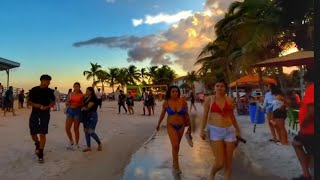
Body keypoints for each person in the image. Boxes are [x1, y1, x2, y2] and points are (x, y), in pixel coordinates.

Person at [199, 79, 241, 180]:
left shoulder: (229, 100)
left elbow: (232, 116)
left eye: (222, 86)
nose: (219, 88)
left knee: (228, 163)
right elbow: (205, 116)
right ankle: (212, 173)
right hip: (215, 131)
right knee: (220, 162)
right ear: (214, 88)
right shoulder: (209, 99)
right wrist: (201, 130)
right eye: (217, 86)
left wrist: (237, 130)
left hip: (229, 131)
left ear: (225, 88)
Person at [156, 85, 192, 174]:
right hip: (171, 125)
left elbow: (186, 115)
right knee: (175, 145)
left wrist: (190, 127)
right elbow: (162, 114)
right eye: (173, 91)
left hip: (181, 126)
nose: (175, 93)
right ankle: (176, 166)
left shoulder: (183, 101)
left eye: (177, 91)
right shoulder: (166, 102)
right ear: (170, 93)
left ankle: (174, 161)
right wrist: (158, 124)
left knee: (176, 146)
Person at [292, 69, 314, 180]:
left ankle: (306, 174)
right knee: (310, 151)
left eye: (304, 81)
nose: (304, 84)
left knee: (296, 143)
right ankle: (307, 172)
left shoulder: (312, 89)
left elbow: (311, 112)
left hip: (309, 129)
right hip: (309, 129)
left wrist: (304, 123)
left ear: (308, 80)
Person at [27, 74, 55, 163]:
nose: (49, 83)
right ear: (42, 81)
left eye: (49, 81)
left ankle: (41, 153)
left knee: (42, 133)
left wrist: (48, 107)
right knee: (33, 133)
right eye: (47, 81)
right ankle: (37, 144)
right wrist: (35, 105)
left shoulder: (50, 91)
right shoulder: (34, 90)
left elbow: (53, 102)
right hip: (35, 113)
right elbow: (28, 101)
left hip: (45, 113)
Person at [81, 87, 102, 152]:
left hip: (92, 115)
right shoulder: (87, 98)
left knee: (91, 131)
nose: (86, 92)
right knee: (86, 131)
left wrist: (83, 108)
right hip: (85, 115)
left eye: (87, 91)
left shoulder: (94, 98)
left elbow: (87, 107)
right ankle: (88, 147)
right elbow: (82, 106)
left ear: (91, 91)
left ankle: (99, 143)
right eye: (86, 90)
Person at [65, 82, 84, 150]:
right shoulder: (70, 94)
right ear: (73, 87)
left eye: (77, 86)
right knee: (67, 128)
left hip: (77, 112)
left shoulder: (81, 95)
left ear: (79, 87)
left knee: (76, 129)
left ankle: (77, 143)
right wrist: (68, 102)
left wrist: (78, 105)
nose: (76, 88)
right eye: (75, 86)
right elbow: (66, 103)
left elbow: (82, 104)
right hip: (70, 111)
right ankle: (71, 141)